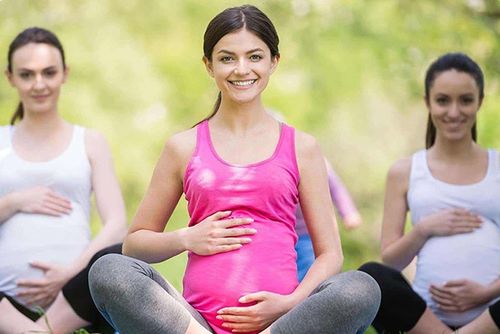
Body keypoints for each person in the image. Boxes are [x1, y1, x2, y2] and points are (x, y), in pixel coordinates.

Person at [89, 5, 380, 334]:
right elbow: (136, 244)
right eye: (227, 58)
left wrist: (290, 303)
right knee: (110, 270)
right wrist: (187, 237)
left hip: (282, 324)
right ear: (209, 66)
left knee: (362, 287)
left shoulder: (303, 148)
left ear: (274, 61)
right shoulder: (182, 147)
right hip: (194, 324)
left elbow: (330, 254)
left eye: (255, 57)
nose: (242, 69)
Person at [359, 53, 500, 334]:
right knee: (370, 277)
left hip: (492, 316)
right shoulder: (404, 171)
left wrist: (486, 293)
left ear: (480, 102)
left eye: (466, 100)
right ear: (428, 102)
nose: (454, 111)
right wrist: (424, 229)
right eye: (443, 100)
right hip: (426, 321)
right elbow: (392, 261)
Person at [0, 27, 127, 334]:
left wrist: (70, 272)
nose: (39, 84)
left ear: (64, 74)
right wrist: (14, 202)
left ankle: (41, 330)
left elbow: (117, 223)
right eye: (27, 74)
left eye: (49, 72)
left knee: (115, 256)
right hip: (6, 304)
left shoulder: (90, 141)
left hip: (74, 300)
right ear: (10, 77)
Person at [295, 159, 362, 281]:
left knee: (310, 269)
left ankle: (306, 297)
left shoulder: (315, 160)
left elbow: (336, 188)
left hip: (308, 233)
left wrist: (349, 212)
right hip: (281, 234)